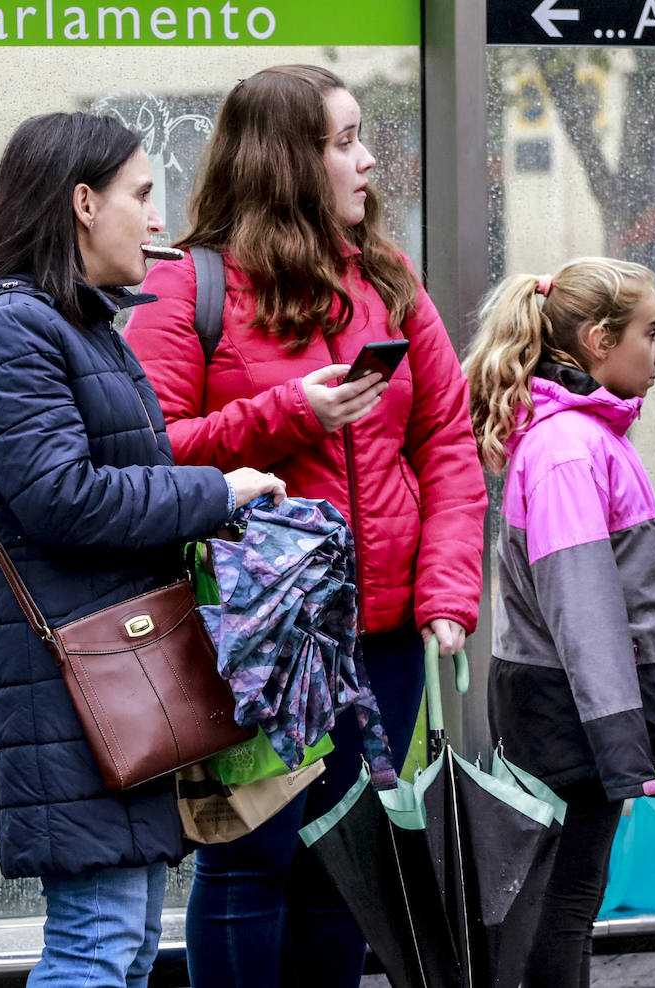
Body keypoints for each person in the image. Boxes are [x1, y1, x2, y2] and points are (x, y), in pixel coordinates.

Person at [124, 65, 488, 987]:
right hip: (259, 635)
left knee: (346, 865)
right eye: (343, 142)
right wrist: (291, 413)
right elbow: (150, 456)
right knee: (251, 863)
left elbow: (446, 438)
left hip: (388, 634)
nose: (367, 160)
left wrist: (446, 590)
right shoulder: (186, 288)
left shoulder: (387, 277)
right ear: (287, 161)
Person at [0, 110, 283, 988]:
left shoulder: (75, 326)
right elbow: (63, 500)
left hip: (110, 681)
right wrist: (218, 490)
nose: (158, 220)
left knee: (119, 939)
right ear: (82, 203)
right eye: (142, 195)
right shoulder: (14, 331)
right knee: (98, 944)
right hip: (79, 688)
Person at [463, 257, 655, 988]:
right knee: (566, 900)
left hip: (572, 704)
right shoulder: (565, 449)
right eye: (651, 331)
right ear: (596, 340)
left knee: (572, 896)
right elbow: (583, 609)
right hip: (569, 711)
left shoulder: (585, 437)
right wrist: (621, 744)